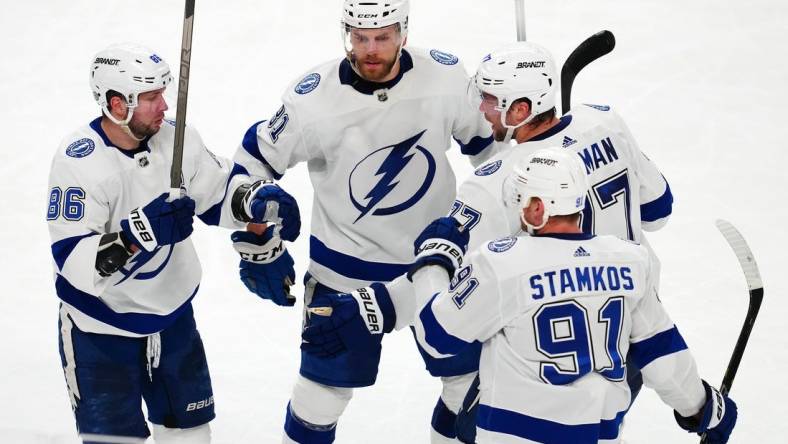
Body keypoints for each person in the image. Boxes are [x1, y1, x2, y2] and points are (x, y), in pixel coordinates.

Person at [302, 147, 737, 443]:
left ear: (536, 208)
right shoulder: (630, 261)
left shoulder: (501, 263)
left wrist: (434, 261)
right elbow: (663, 357)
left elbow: (437, 338)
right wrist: (702, 409)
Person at [231, 1, 497, 442]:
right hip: (342, 276)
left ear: (404, 32)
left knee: (473, 388)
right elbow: (252, 164)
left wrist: (534, 163)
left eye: (383, 36)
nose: (370, 49)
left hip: (435, 270)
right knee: (319, 398)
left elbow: (492, 151)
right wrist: (259, 240)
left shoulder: (448, 79)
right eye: (359, 36)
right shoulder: (311, 98)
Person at [47, 43, 299, 444]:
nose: (164, 105)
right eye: (149, 98)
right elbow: (73, 262)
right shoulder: (79, 163)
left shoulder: (177, 140)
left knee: (192, 436)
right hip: (100, 331)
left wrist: (254, 200)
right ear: (116, 104)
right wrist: (138, 234)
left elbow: (217, 193)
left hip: (172, 319)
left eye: (163, 92)